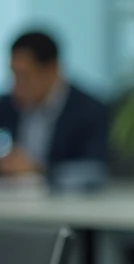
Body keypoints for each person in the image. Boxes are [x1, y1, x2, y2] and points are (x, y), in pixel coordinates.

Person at [0, 30, 108, 188]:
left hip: (65, 208)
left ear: (52, 70)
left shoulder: (90, 111)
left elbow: (94, 170)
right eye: (14, 75)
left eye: (24, 76)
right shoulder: (5, 106)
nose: (16, 86)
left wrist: (37, 170)